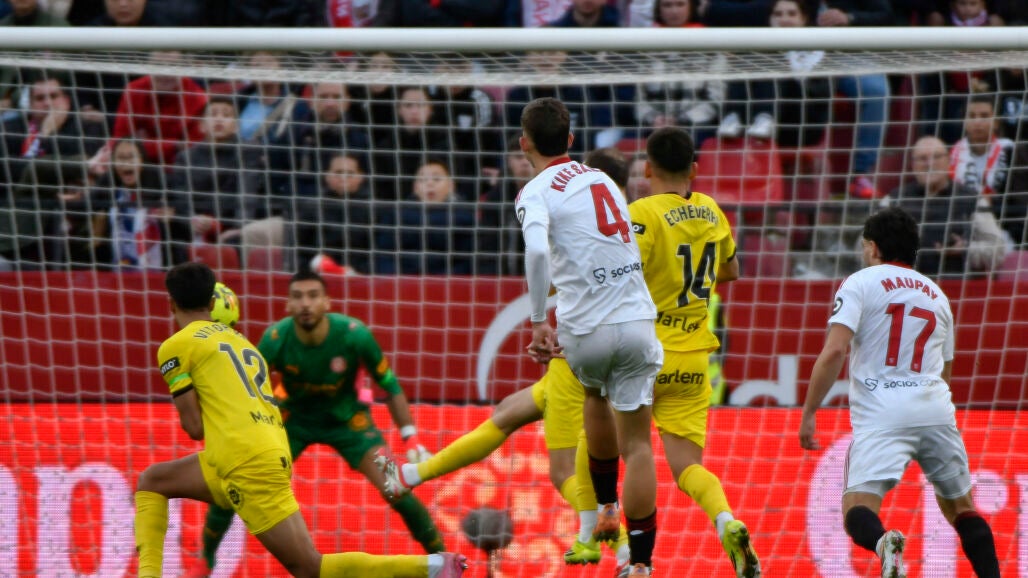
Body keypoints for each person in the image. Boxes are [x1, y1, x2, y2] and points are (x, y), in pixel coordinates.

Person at [141, 263, 466, 578]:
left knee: (393, 486)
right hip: (292, 422)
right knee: (167, 479)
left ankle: (437, 554)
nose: (305, 304)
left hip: (348, 423)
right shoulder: (271, 338)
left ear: (327, 302)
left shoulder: (354, 335)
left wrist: (411, 437)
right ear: (288, 304)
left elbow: (390, 387)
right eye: (297, 296)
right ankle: (206, 560)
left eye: (313, 295)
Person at [799, 207, 1000, 578]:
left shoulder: (860, 282)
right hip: (935, 408)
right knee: (963, 509)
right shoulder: (937, 295)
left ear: (873, 248)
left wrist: (810, 411)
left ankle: (883, 545)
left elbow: (835, 351)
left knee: (857, 509)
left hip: (883, 411)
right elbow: (945, 371)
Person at [515, 97, 662, 577]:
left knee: (595, 395)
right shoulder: (602, 179)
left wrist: (539, 319)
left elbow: (538, 252)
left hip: (585, 326)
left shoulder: (534, 192)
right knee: (639, 446)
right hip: (636, 319)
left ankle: (605, 506)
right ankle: (640, 563)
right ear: (572, 140)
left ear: (524, 144)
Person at [627, 127, 760, 578]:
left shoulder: (641, 213)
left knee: (633, 450)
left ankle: (636, 560)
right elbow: (731, 270)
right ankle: (726, 520)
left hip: (645, 352)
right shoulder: (710, 209)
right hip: (693, 357)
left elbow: (622, 276)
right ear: (695, 169)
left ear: (648, 169)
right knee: (687, 467)